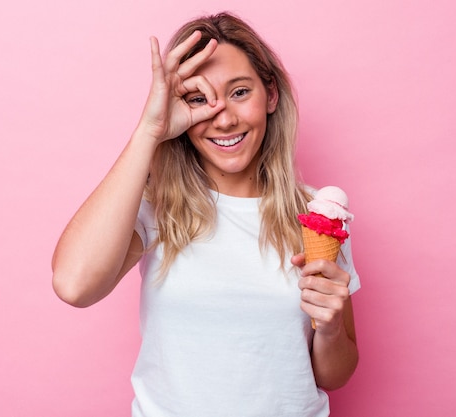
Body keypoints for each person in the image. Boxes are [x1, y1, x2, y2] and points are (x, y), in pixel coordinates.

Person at [52, 11, 360, 417]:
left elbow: (333, 375)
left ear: (270, 95)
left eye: (239, 92)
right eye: (199, 99)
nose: (224, 118)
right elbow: (74, 285)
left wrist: (332, 326)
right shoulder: (156, 210)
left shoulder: (317, 214)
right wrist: (150, 129)